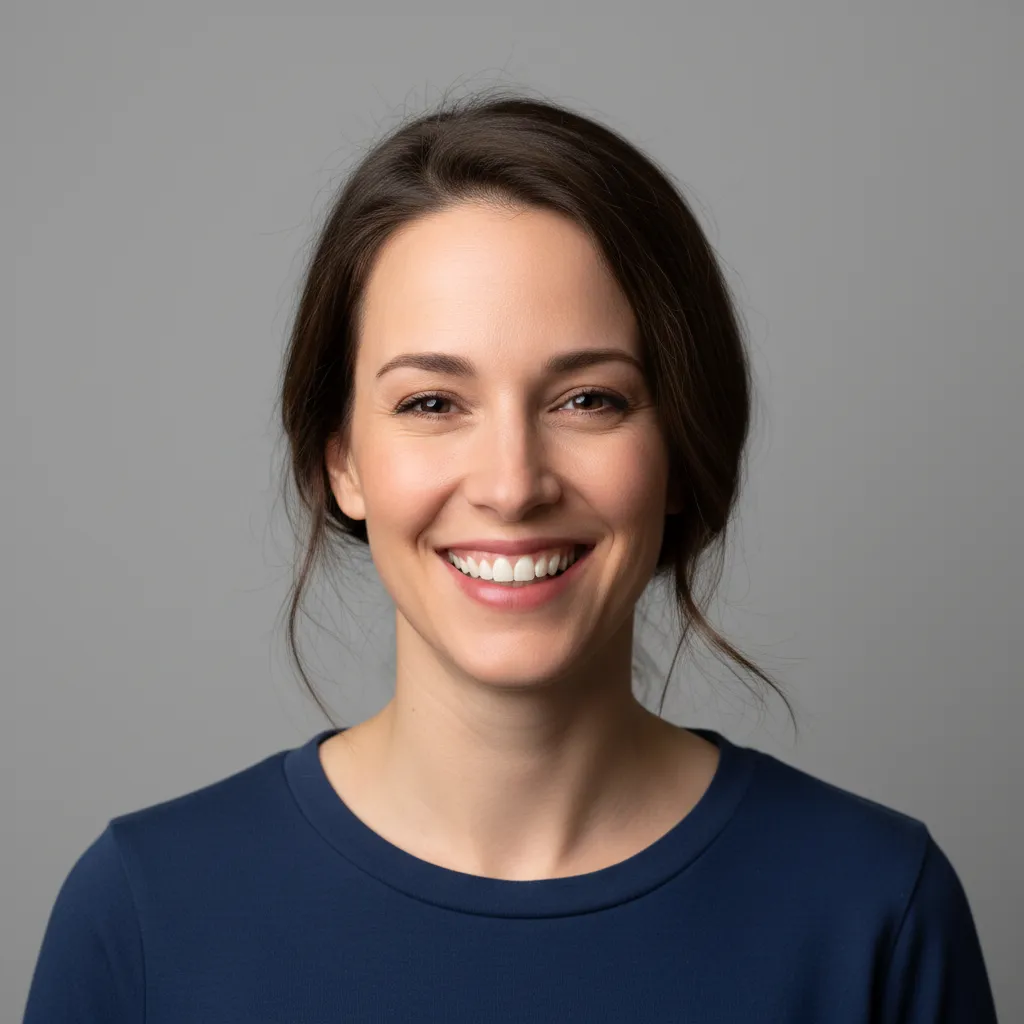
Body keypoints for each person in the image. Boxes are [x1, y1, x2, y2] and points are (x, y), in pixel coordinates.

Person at [24, 88, 998, 1022]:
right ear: (343, 462)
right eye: (432, 404)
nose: (511, 481)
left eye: (588, 399)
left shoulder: (874, 908)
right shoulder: (146, 911)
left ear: (678, 450)